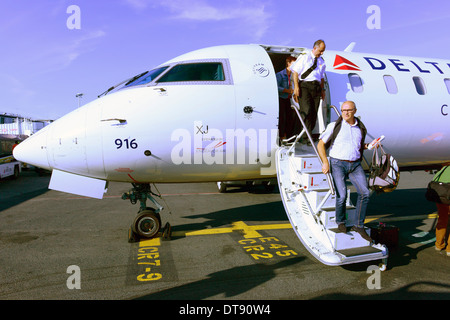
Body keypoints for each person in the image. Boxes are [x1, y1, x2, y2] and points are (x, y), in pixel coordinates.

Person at [317, 101, 372, 241]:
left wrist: (369, 146)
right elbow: (320, 145)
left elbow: (358, 146)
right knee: (341, 196)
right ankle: (340, 221)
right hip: (337, 163)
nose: (345, 113)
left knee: (365, 193)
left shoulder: (360, 128)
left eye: (348, 110)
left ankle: (359, 226)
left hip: (355, 164)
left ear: (355, 111)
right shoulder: (335, 126)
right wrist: (325, 162)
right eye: (343, 110)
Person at [291, 39, 326, 137]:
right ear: (315, 48)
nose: (322, 53)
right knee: (306, 110)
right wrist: (296, 87)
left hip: (317, 87)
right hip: (305, 86)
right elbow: (295, 72)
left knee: (314, 113)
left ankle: (308, 136)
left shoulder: (321, 61)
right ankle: (302, 135)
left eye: (323, 51)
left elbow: (321, 77)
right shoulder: (305, 58)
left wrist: (322, 90)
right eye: (320, 51)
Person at [276, 56, 297, 141]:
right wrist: (286, 90)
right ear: (288, 63)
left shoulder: (294, 75)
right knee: (282, 118)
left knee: (291, 119)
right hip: (282, 98)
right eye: (293, 63)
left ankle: (289, 136)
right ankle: (282, 136)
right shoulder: (280, 74)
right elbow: (276, 87)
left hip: (290, 100)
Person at [431, 166, 450, 256]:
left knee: (442, 220)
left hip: (441, 198)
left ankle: (439, 245)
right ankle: (449, 249)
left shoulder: (444, 169)